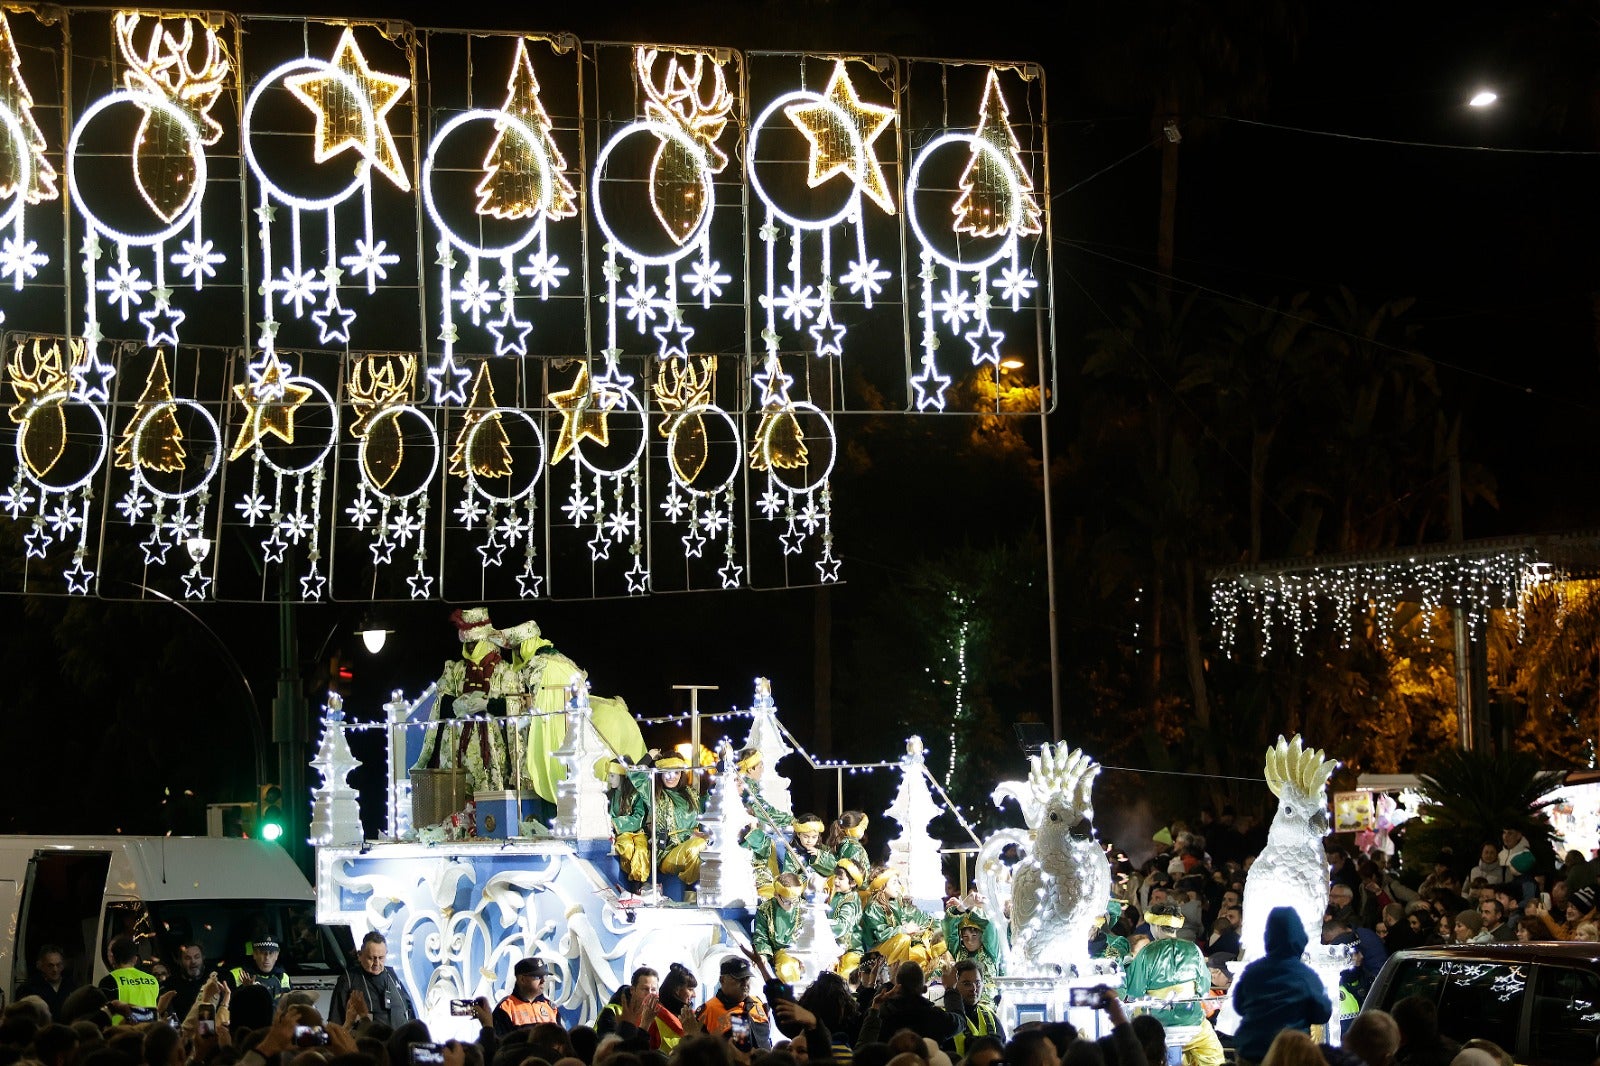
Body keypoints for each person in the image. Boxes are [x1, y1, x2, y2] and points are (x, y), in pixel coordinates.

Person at [1121, 903, 1222, 1066]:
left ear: (1156, 925)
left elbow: (1134, 989)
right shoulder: (1194, 949)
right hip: (1192, 1024)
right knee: (1213, 1055)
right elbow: (1204, 988)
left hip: (1155, 1026)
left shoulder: (1148, 951)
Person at [1230, 906, 1332, 1065]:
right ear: (1300, 937)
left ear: (1268, 937)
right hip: (1289, 1055)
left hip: (1251, 1052)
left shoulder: (1252, 972)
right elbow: (1322, 1013)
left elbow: (1238, 1006)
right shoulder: (1305, 976)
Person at [330, 931, 416, 1028]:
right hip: (365, 1041)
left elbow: (409, 1011)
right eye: (371, 958)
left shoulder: (392, 975)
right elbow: (335, 1023)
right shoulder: (348, 980)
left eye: (381, 958)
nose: (377, 963)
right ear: (360, 955)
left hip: (397, 1040)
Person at [860, 867, 943, 969]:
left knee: (920, 950)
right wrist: (904, 930)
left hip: (894, 946)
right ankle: (893, 975)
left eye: (898, 882)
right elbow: (881, 934)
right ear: (883, 886)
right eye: (894, 883)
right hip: (876, 952)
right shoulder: (873, 907)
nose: (898, 886)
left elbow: (908, 918)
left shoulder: (894, 902)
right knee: (903, 939)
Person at [653, 755, 709, 888]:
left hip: (693, 844)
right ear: (660, 774)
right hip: (667, 853)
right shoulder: (655, 793)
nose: (671, 777)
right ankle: (691, 887)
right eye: (666, 773)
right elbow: (636, 777)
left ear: (681, 774)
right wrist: (649, 757)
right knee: (698, 846)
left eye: (676, 772)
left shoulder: (691, 793)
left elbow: (702, 819)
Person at [696, 955, 771, 1052]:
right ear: (722, 980)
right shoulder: (708, 1010)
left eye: (747, 978)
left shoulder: (758, 1003)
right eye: (739, 978)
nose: (745, 983)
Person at [873, 961, 960, 1044]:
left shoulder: (881, 1013)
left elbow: (868, 1027)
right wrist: (950, 988)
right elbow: (960, 1021)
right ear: (924, 989)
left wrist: (890, 983)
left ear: (897, 988)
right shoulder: (933, 1017)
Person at [943, 897, 1002, 1000]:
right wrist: (961, 907)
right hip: (963, 1005)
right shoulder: (958, 951)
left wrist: (968, 908)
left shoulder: (990, 951)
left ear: (981, 936)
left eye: (974, 936)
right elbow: (948, 927)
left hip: (987, 1005)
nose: (969, 941)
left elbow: (989, 925)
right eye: (965, 937)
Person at [942, 959, 1004, 1056]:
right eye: (967, 984)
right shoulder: (946, 1018)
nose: (974, 989)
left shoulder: (989, 1014)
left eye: (978, 983)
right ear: (954, 984)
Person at [753, 873, 806, 982]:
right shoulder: (765, 910)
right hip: (782, 952)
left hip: (804, 951)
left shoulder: (805, 908)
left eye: (794, 900)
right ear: (776, 894)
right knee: (786, 967)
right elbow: (761, 936)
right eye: (786, 901)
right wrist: (762, 954)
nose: (791, 905)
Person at [97, 936, 160, 1021]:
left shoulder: (108, 981)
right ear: (135, 959)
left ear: (113, 959)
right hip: (149, 1031)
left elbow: (103, 1015)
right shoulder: (152, 980)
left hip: (122, 1032)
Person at [494, 956, 560, 1035]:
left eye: (544, 976)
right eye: (537, 977)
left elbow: (561, 1041)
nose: (543, 981)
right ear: (522, 979)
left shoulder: (551, 1008)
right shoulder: (505, 1008)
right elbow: (500, 1043)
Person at [225, 935, 289, 1004]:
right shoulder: (237, 974)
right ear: (255, 954)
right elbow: (228, 1008)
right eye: (262, 953)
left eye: (271, 953)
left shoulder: (282, 977)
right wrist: (245, 991)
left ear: (277, 955)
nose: (267, 957)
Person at [15, 944, 70, 1021]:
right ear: (40, 966)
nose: (55, 970)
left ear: (63, 966)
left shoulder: (70, 987)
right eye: (50, 965)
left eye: (58, 965)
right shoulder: (28, 989)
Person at [827, 865, 865, 975]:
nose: (836, 881)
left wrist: (823, 926)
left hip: (851, 950)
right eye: (836, 877)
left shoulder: (851, 900)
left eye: (841, 879)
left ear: (853, 883)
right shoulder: (838, 895)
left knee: (843, 976)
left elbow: (842, 926)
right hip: (835, 947)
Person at [161, 940, 210, 1020]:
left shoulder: (214, 980)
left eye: (197, 957)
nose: (193, 961)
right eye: (188, 958)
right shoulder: (170, 985)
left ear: (203, 958)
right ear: (179, 961)